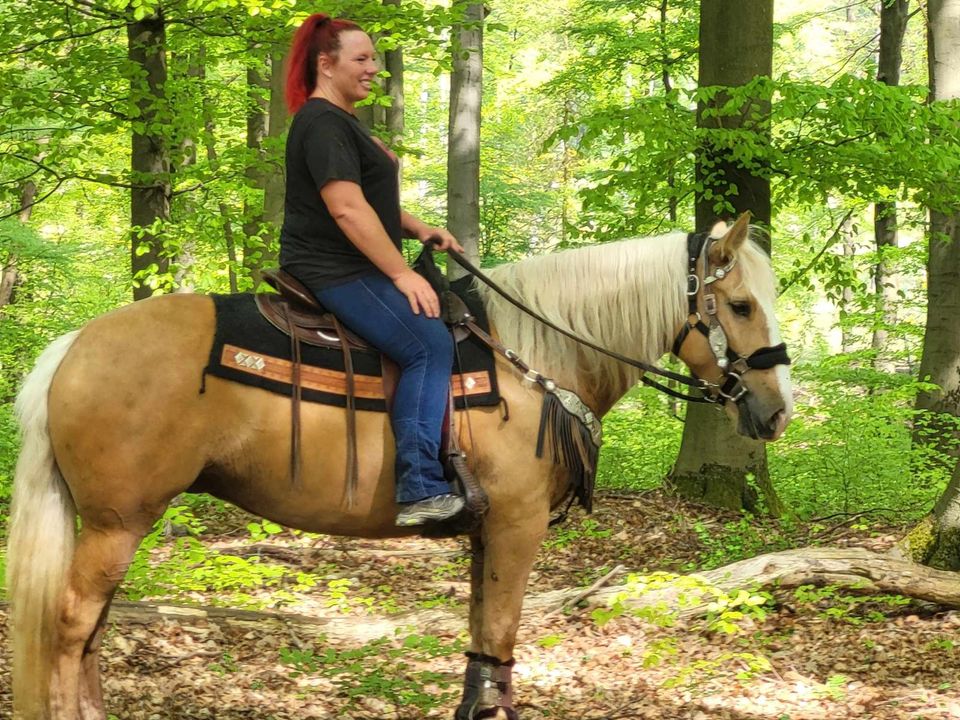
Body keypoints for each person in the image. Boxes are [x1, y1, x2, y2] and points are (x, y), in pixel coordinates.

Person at [280, 13, 465, 527]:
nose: (374, 70)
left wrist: (418, 227)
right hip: (333, 268)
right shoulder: (321, 122)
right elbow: (346, 209)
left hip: (353, 262)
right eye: (361, 59)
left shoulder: (339, 121)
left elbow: (368, 200)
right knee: (428, 345)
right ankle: (420, 487)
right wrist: (403, 275)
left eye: (375, 61)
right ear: (326, 64)